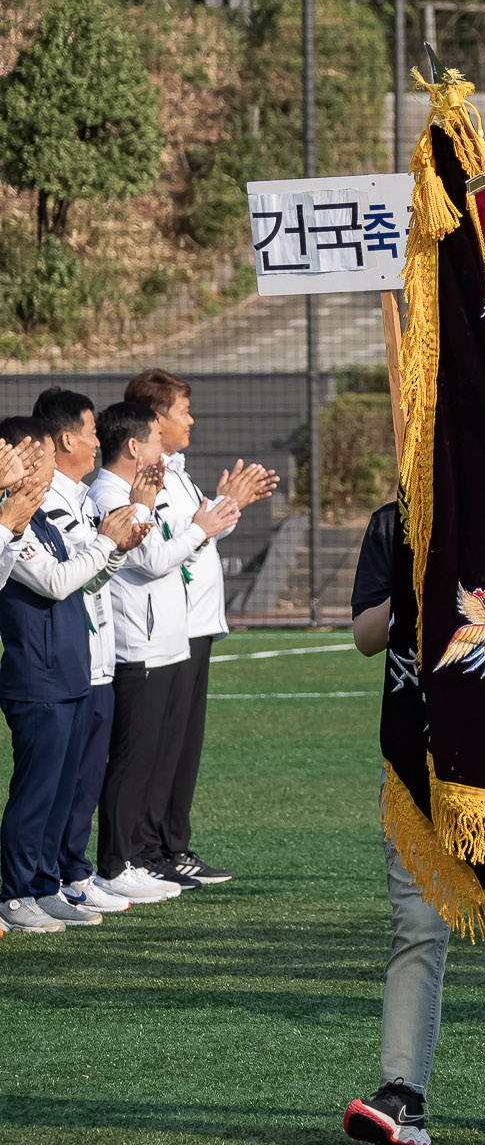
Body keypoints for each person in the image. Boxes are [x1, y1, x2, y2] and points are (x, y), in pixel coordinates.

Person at [341, 501, 485, 1145]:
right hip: (415, 761)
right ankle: (402, 1092)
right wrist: (411, 596)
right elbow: (365, 634)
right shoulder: (391, 523)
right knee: (417, 925)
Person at [125, 369, 278, 886]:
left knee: (182, 748)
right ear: (155, 419)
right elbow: (172, 545)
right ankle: (149, 851)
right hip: (172, 627)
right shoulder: (146, 480)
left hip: (194, 625)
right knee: (160, 747)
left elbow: (200, 534)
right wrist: (212, 514)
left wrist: (228, 504)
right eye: (182, 411)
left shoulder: (177, 472)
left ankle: (171, 846)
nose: (191, 420)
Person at [0, 420, 141, 933]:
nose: (44, 466)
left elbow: (84, 579)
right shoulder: (11, 520)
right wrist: (103, 544)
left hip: (71, 670)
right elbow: (58, 582)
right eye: (32, 457)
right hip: (36, 677)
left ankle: (44, 885)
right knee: (35, 792)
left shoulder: (40, 521)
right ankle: (15, 893)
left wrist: (117, 547)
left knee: (61, 790)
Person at [91, 398, 226, 893]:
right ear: (132, 446)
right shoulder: (111, 493)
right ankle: (117, 863)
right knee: (132, 760)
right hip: (138, 645)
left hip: (166, 641)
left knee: (154, 758)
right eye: (153, 441)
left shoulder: (137, 490)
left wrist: (200, 528)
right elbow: (149, 561)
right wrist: (199, 530)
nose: (161, 451)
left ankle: (142, 857)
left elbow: (166, 549)